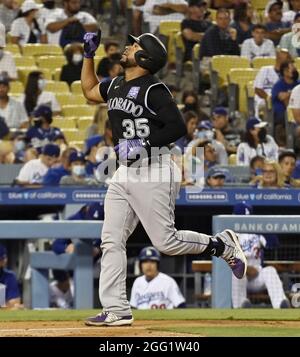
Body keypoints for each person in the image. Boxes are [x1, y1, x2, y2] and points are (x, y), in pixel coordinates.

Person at [81, 30, 247, 326]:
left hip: (154, 167)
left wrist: (142, 144)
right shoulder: (118, 83)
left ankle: (222, 245)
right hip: (124, 172)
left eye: (134, 46)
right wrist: (88, 56)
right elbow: (90, 91)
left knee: (166, 242)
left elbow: (177, 127)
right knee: (111, 239)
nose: (128, 47)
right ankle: (117, 308)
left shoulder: (153, 89)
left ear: (145, 58)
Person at [231, 202, 290, 309]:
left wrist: (264, 226)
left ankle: (281, 304)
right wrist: (246, 269)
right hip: (239, 278)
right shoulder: (230, 234)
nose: (245, 221)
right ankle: (240, 306)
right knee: (237, 273)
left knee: (270, 270)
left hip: (256, 276)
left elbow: (274, 243)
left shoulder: (256, 231)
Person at [254, 48, 290, 118]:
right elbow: (257, 89)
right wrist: (269, 98)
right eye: (286, 58)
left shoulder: (289, 74)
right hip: (264, 99)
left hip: (283, 99)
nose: (288, 61)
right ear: (278, 58)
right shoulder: (265, 70)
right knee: (265, 105)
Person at [0, 243, 22, 308]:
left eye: (5, 257)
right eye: (2, 258)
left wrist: (5, 306)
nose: (5, 260)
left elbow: (15, 302)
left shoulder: (9, 276)